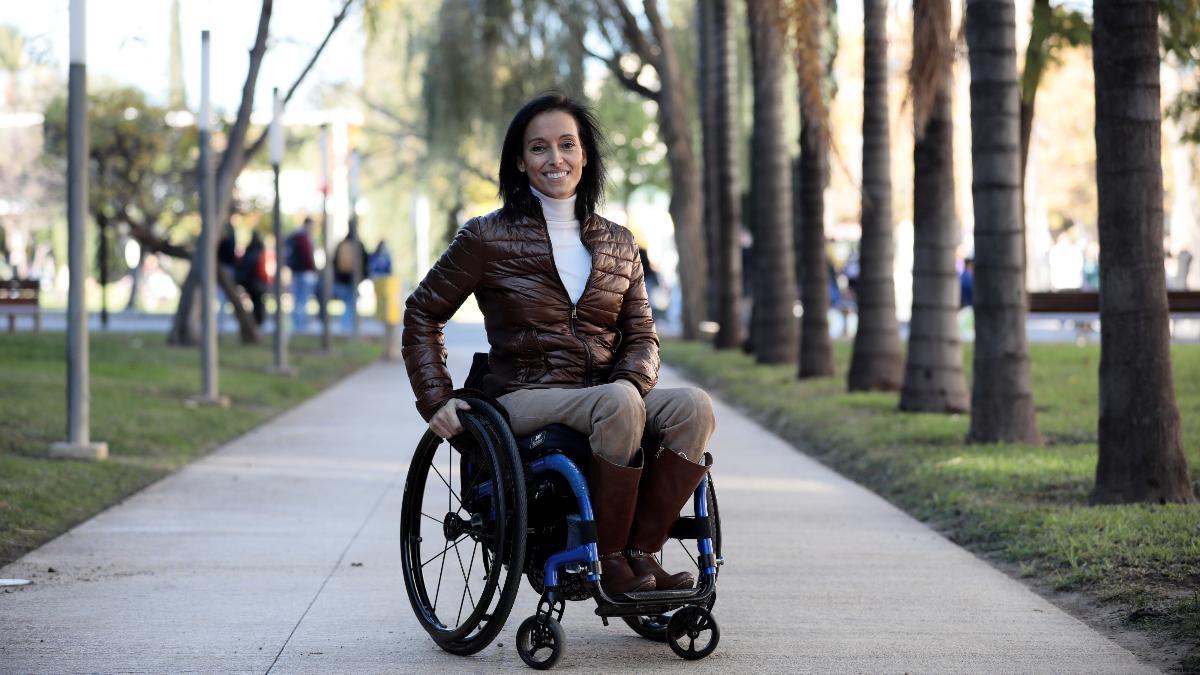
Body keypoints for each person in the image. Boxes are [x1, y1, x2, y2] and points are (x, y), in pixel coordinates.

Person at [402, 93, 716, 597]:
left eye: (567, 145)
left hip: (609, 393)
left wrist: (630, 387)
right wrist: (436, 398)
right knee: (616, 403)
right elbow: (422, 311)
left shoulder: (618, 242)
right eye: (539, 148)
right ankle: (608, 561)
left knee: (692, 407)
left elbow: (642, 336)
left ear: (585, 154)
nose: (555, 159)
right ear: (521, 161)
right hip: (523, 394)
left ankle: (640, 554)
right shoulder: (487, 237)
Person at [286, 217, 318, 331]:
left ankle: (298, 323)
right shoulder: (303, 238)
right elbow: (307, 256)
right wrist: (314, 268)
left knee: (299, 299)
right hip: (304, 272)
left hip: (297, 272)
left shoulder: (297, 236)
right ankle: (299, 325)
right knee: (301, 299)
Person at [332, 232, 367, 332]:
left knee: (348, 303)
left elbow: (334, 262)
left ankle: (346, 326)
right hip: (353, 278)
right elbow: (365, 261)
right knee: (350, 303)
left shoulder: (341, 244)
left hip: (342, 279)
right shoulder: (359, 245)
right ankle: (347, 327)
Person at [236, 232, 269, 326]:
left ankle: (256, 322)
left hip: (251, 283)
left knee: (256, 303)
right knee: (258, 304)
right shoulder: (259, 252)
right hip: (257, 282)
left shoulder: (250, 251)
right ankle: (258, 322)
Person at [216, 222, 239, 331]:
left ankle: (222, 325)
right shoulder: (223, 231)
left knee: (224, 299)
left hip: (226, 266)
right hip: (223, 267)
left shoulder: (229, 232)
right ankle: (220, 324)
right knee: (221, 298)